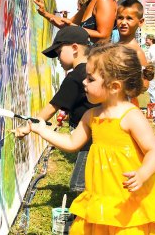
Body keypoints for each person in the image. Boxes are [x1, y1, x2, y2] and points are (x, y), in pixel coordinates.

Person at [26, 44, 155, 234]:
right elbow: (71, 143)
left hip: (128, 199)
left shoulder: (131, 116)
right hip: (101, 197)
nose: (84, 83)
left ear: (114, 86)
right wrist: (40, 129)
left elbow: (154, 151)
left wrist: (143, 174)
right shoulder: (91, 115)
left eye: (90, 78)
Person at [13, 26, 97, 194]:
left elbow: (51, 108)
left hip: (91, 140)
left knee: (79, 186)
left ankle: (87, 216)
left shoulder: (75, 76)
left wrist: (27, 127)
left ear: (74, 48)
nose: (57, 58)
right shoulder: (91, 70)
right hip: (92, 136)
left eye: (59, 52)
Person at [34, 0, 117, 44]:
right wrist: (44, 13)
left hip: (100, 62)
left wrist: (75, 28)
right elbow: (67, 23)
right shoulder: (89, 3)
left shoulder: (105, 0)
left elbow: (104, 36)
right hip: (88, 60)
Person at [116, 0, 154, 106]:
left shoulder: (136, 52)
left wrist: (124, 85)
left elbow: (145, 85)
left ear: (140, 22)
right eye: (120, 17)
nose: (123, 22)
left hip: (127, 106)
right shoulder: (114, 47)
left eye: (129, 18)